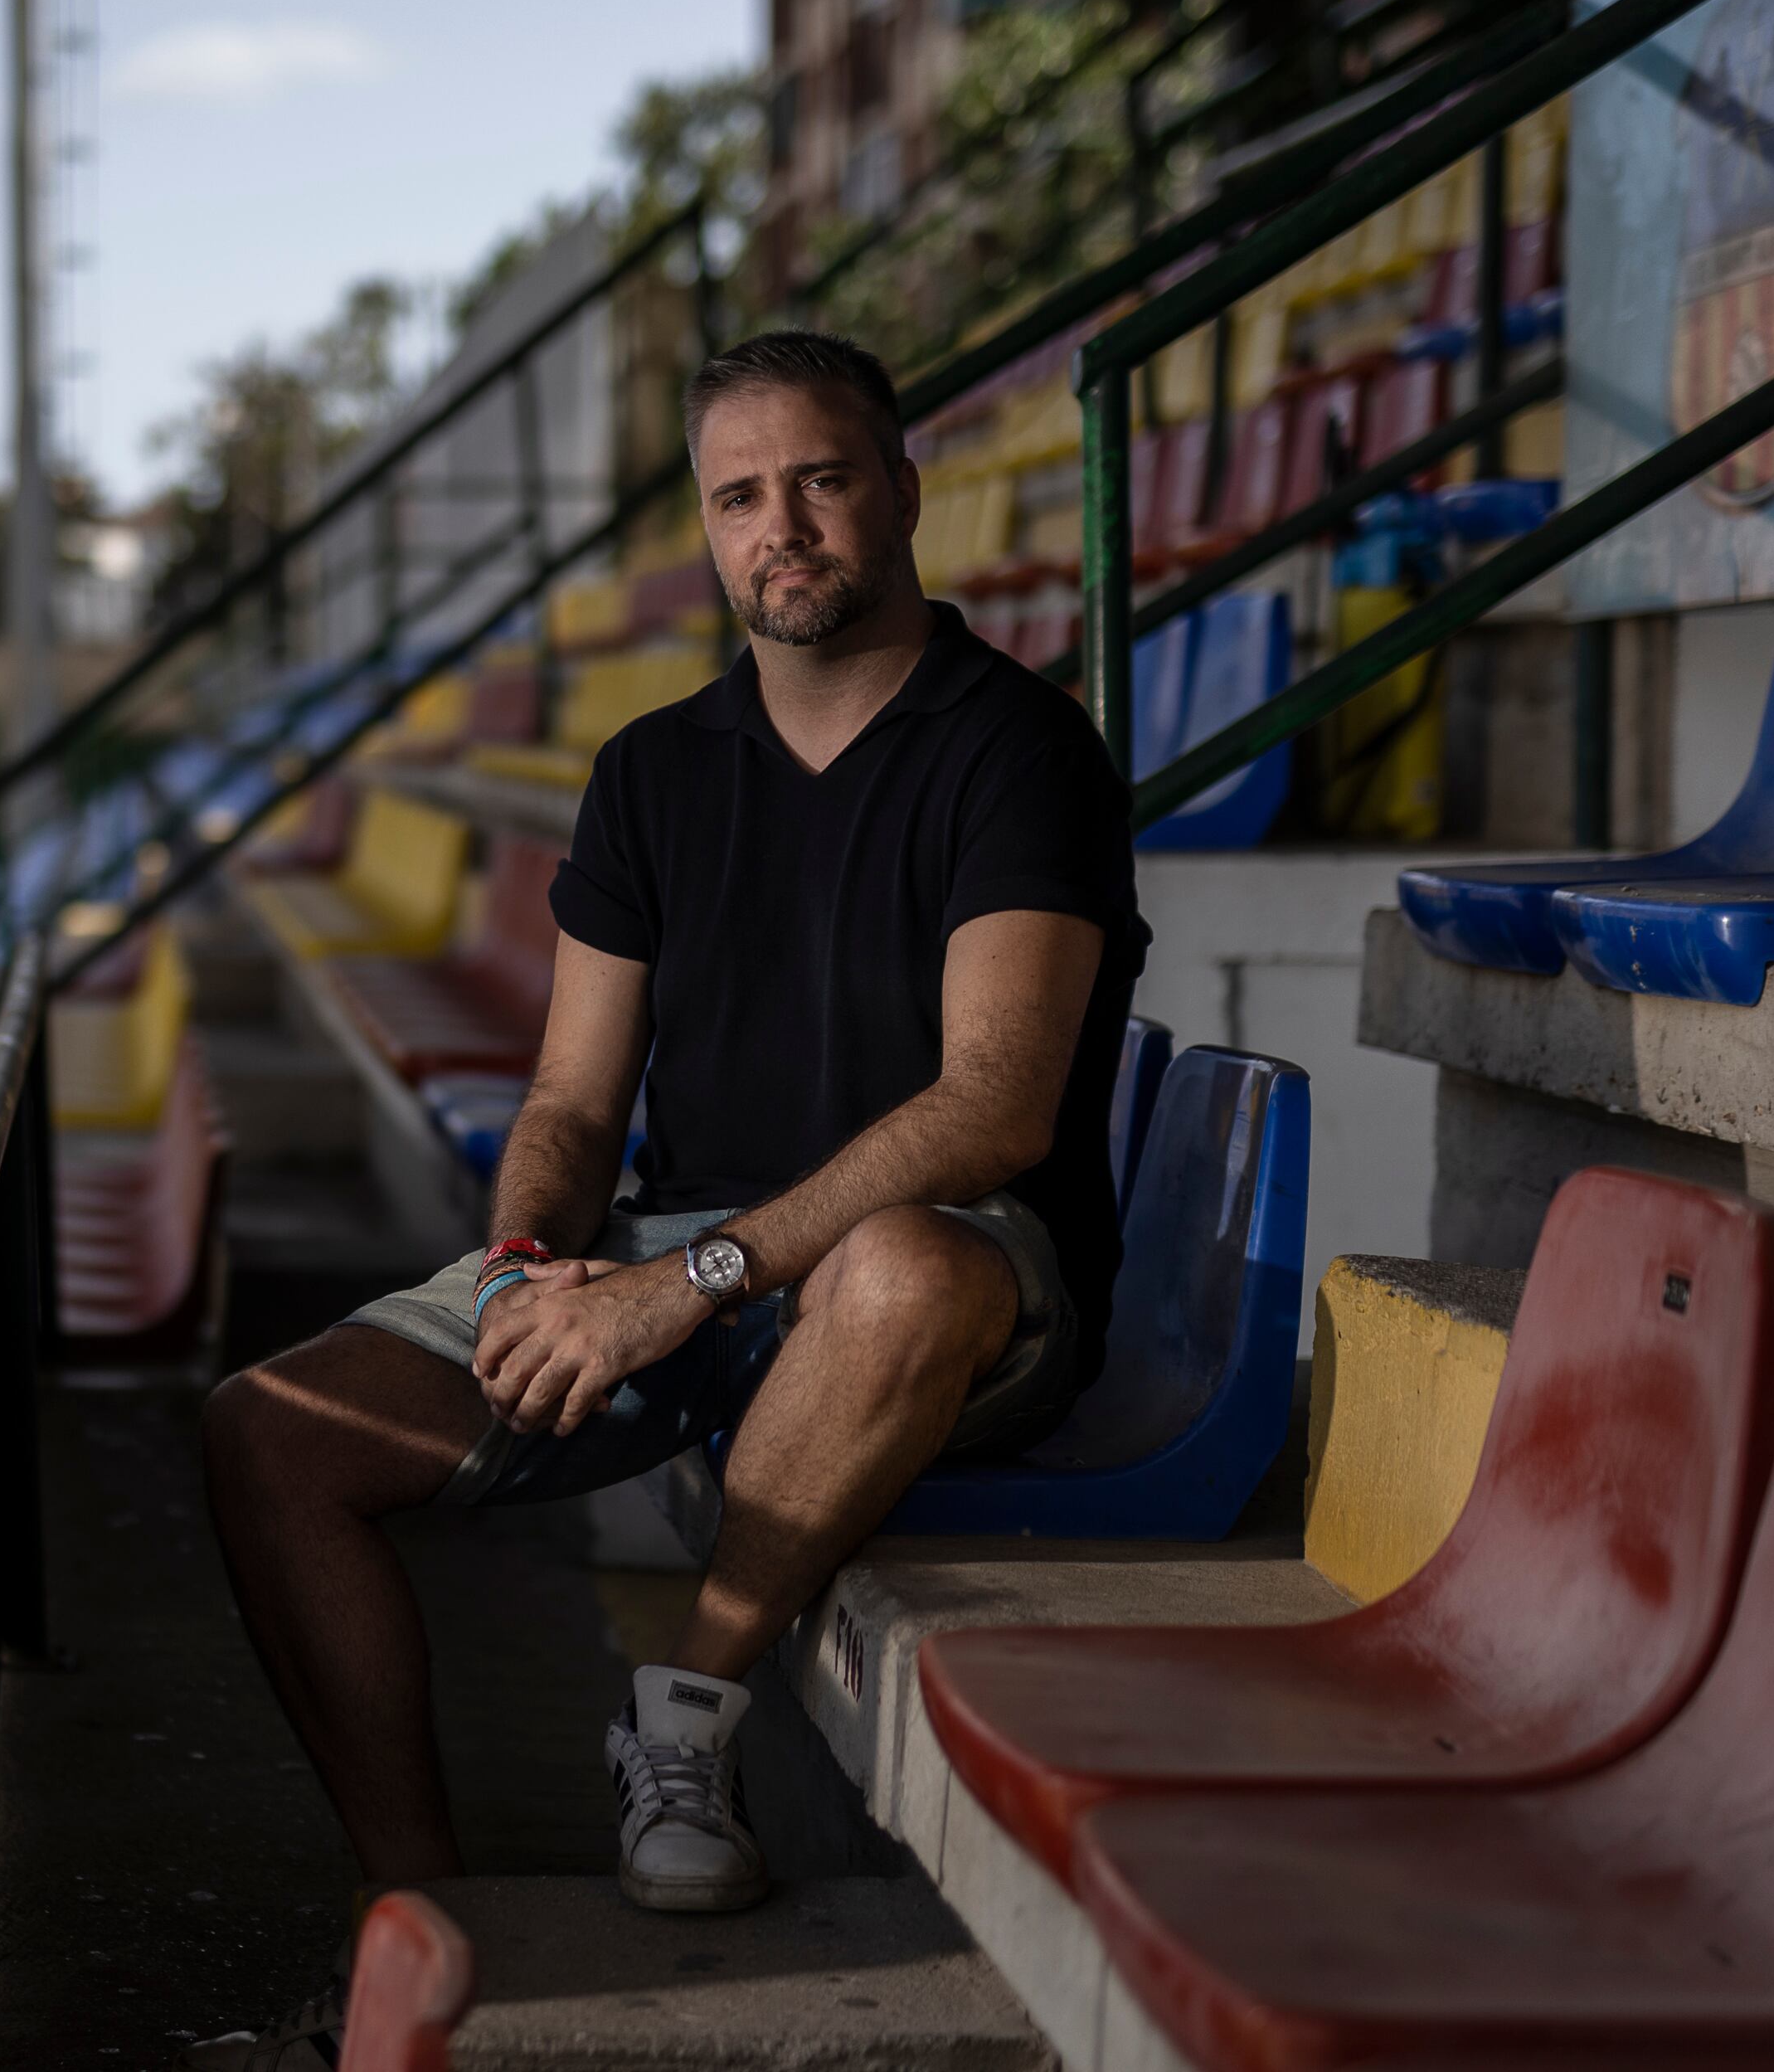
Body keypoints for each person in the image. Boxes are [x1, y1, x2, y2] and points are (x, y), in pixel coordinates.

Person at [187, 328, 1148, 2067]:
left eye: (823, 479)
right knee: (274, 1434)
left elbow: (995, 1111)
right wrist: (528, 1268)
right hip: (678, 1259)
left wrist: (686, 1279)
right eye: (739, 496)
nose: (783, 527)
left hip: (950, 1275)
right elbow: (569, 1095)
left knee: (899, 1274)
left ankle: (689, 1710)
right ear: (707, 534)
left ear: (903, 493)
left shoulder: (1020, 748)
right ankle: (423, 1913)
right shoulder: (651, 771)